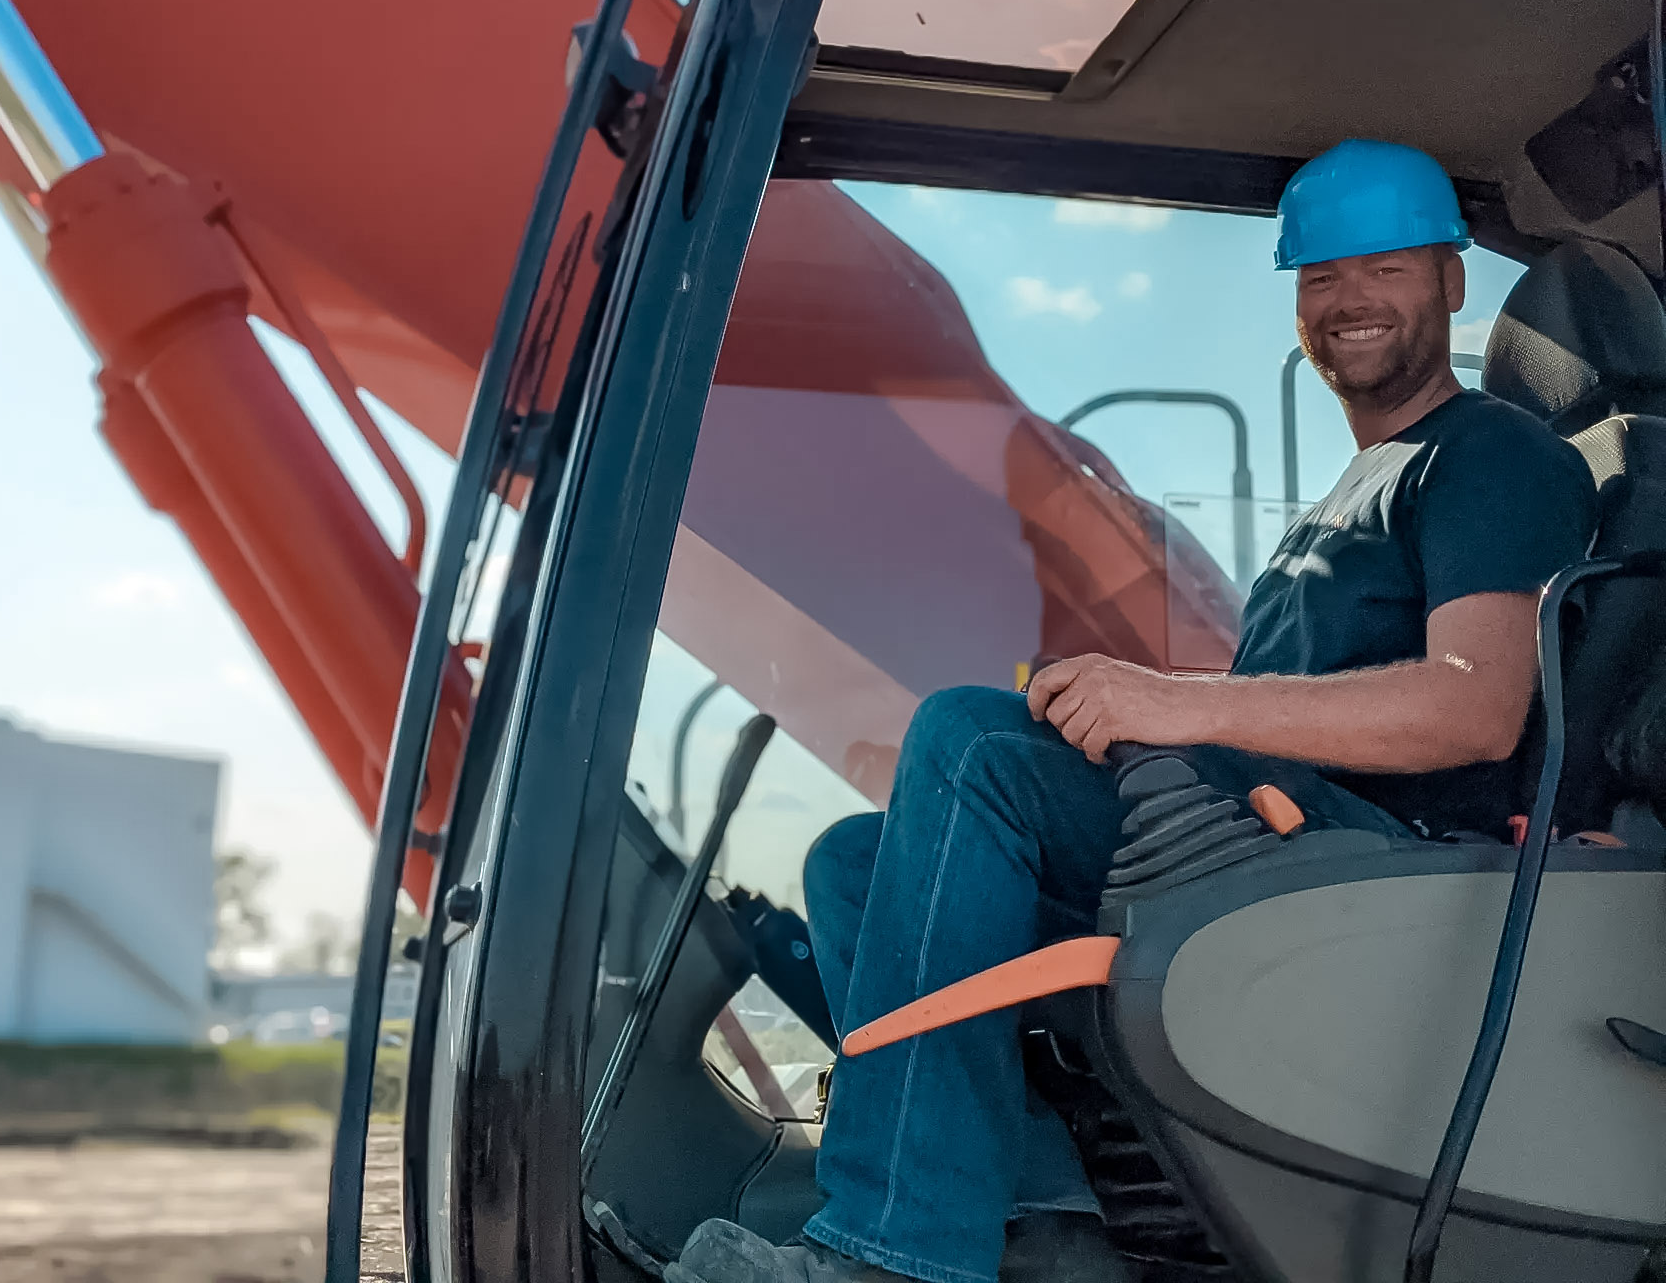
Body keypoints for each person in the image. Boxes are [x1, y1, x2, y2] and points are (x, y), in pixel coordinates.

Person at [664, 140, 1600, 1283]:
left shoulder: (1491, 456)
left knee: (969, 742)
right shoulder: (1348, 496)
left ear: (1453, 281)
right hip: (1271, 845)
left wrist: (1175, 700)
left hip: (1370, 882)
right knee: (861, 860)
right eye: (1321, 278)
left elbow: (1476, 712)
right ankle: (1046, 1216)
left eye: (1387, 269)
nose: (1350, 300)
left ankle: (896, 1254)